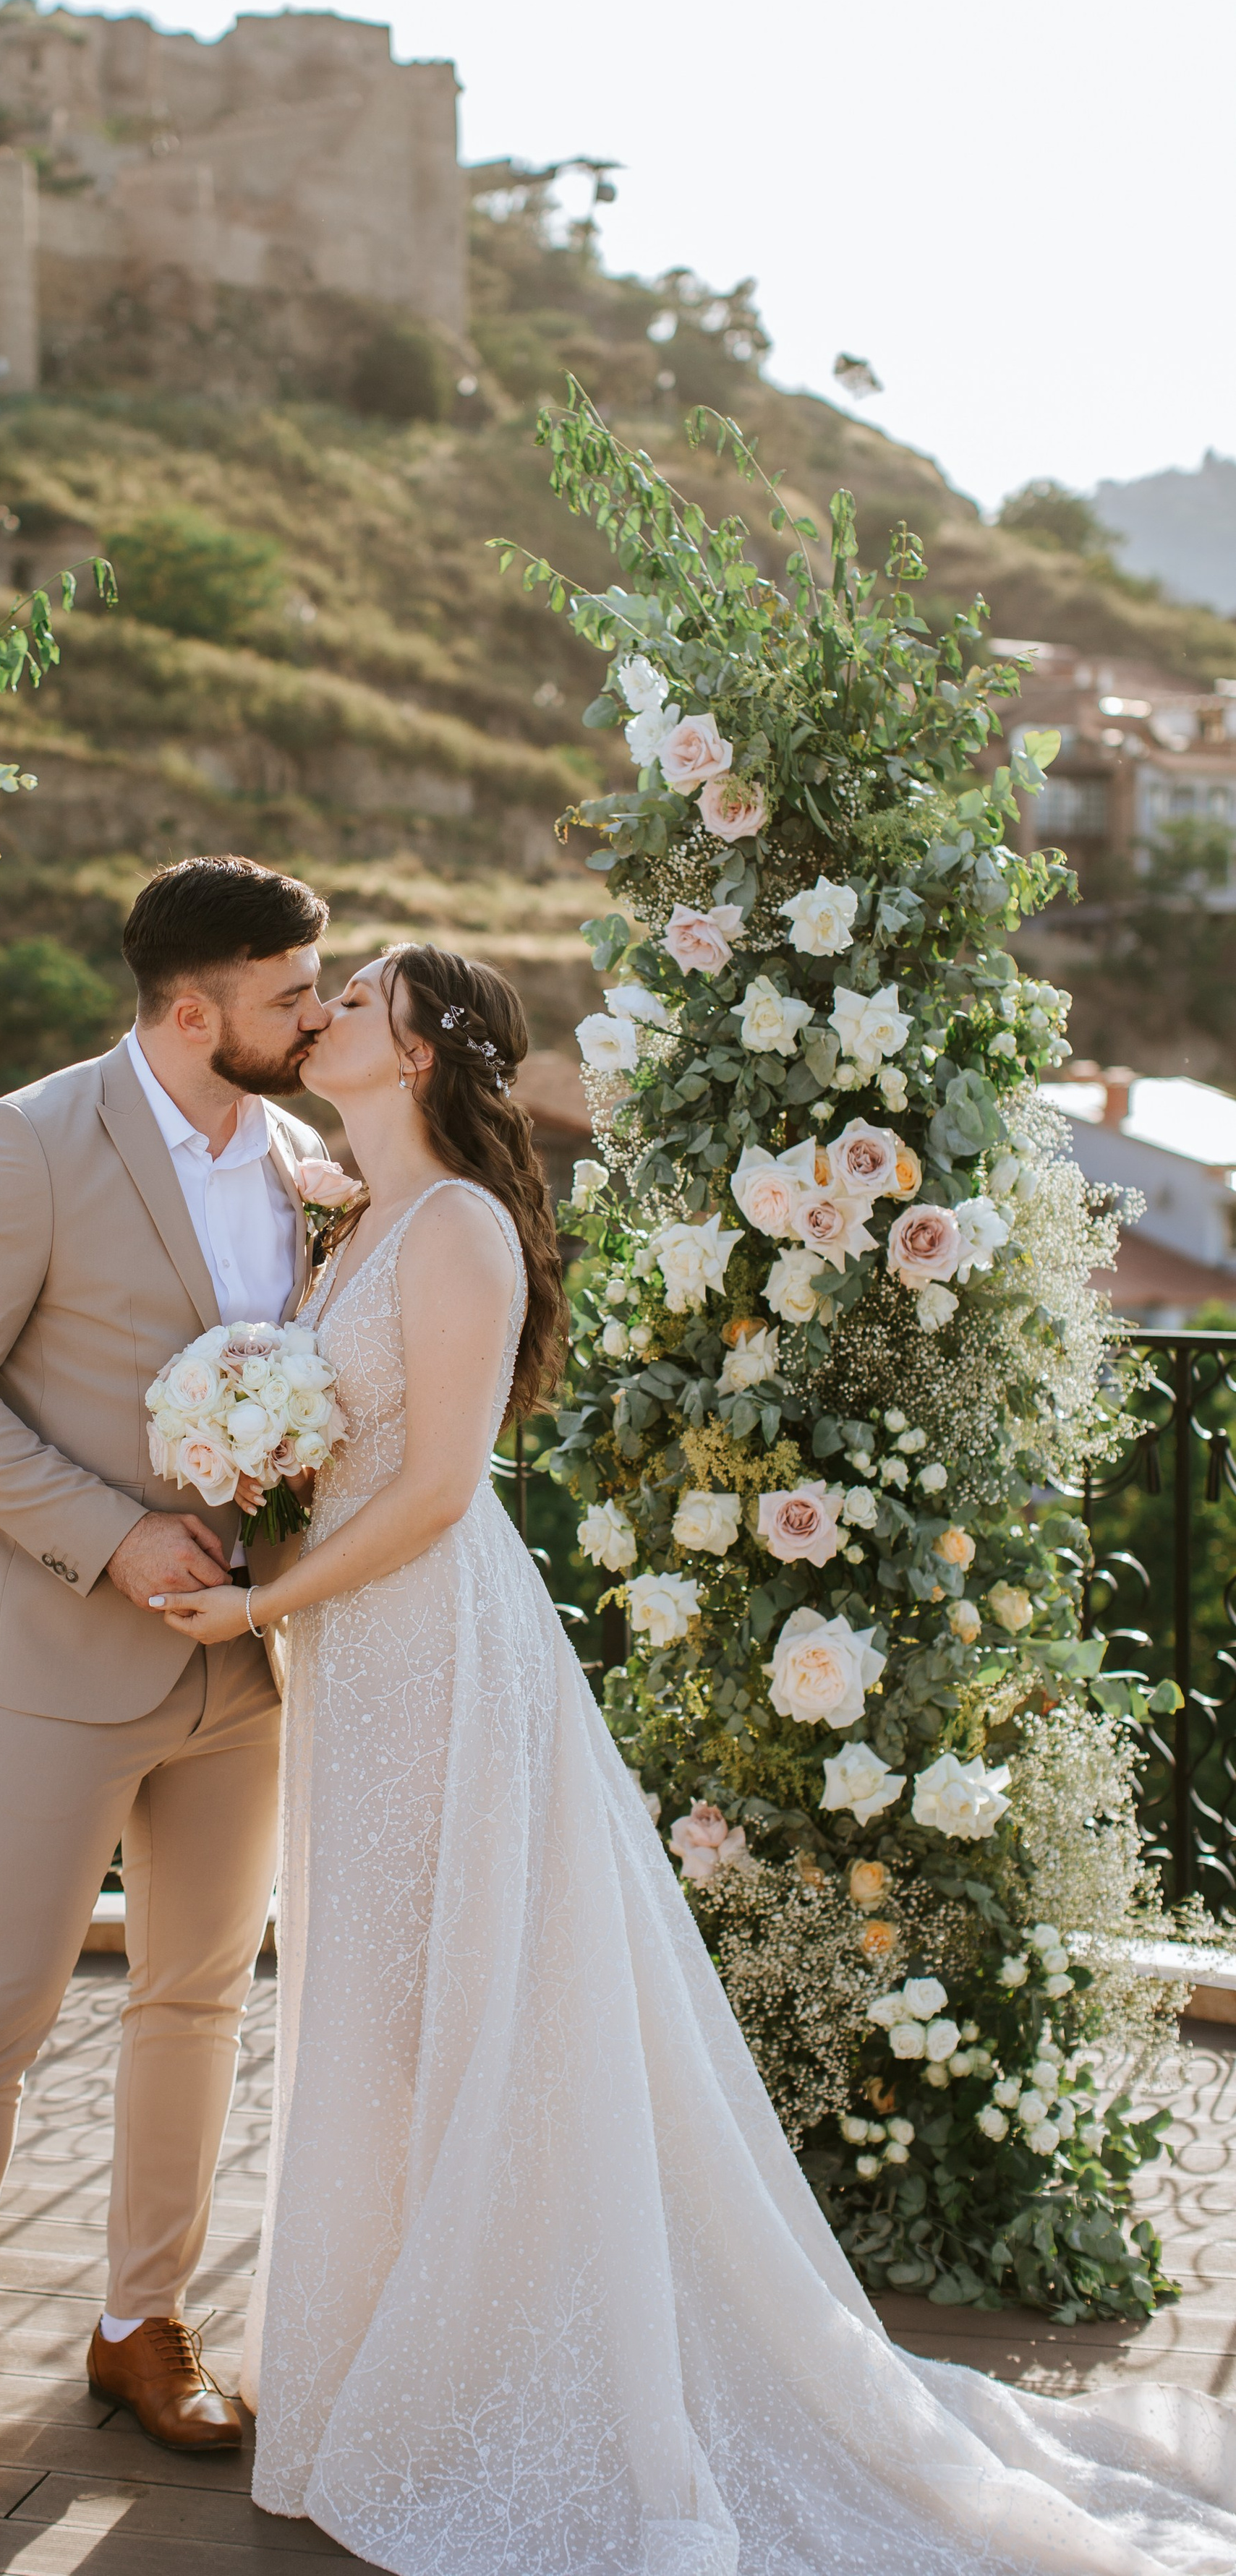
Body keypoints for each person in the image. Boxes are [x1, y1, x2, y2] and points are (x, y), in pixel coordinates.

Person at [154, 941, 1236, 2576]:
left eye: (353, 1006)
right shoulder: (356, 1217)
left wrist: (261, 1605)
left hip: (432, 1651)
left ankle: (480, 2377)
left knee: (464, 2004)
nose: (320, 1022)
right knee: (376, 2004)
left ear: (430, 1051)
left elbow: (442, 1487)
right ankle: (374, 2355)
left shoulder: (451, 1230)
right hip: (350, 1660)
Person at [0, 855, 331, 2512]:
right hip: (57, 1661)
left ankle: (143, 2325)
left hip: (249, 1671)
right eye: (292, 995)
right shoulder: (26, 1142)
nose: (318, 1017)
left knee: (199, 2003)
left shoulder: (307, 1165)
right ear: (196, 1009)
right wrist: (108, 1537)